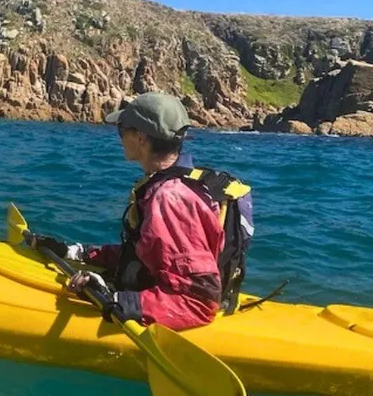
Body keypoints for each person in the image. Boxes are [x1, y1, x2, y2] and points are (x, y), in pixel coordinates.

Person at [32, 92, 254, 331]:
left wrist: (118, 300)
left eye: (121, 130)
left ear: (140, 137)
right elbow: (150, 252)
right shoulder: (180, 183)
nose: (119, 139)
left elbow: (198, 301)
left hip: (179, 310)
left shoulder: (170, 199)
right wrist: (77, 252)